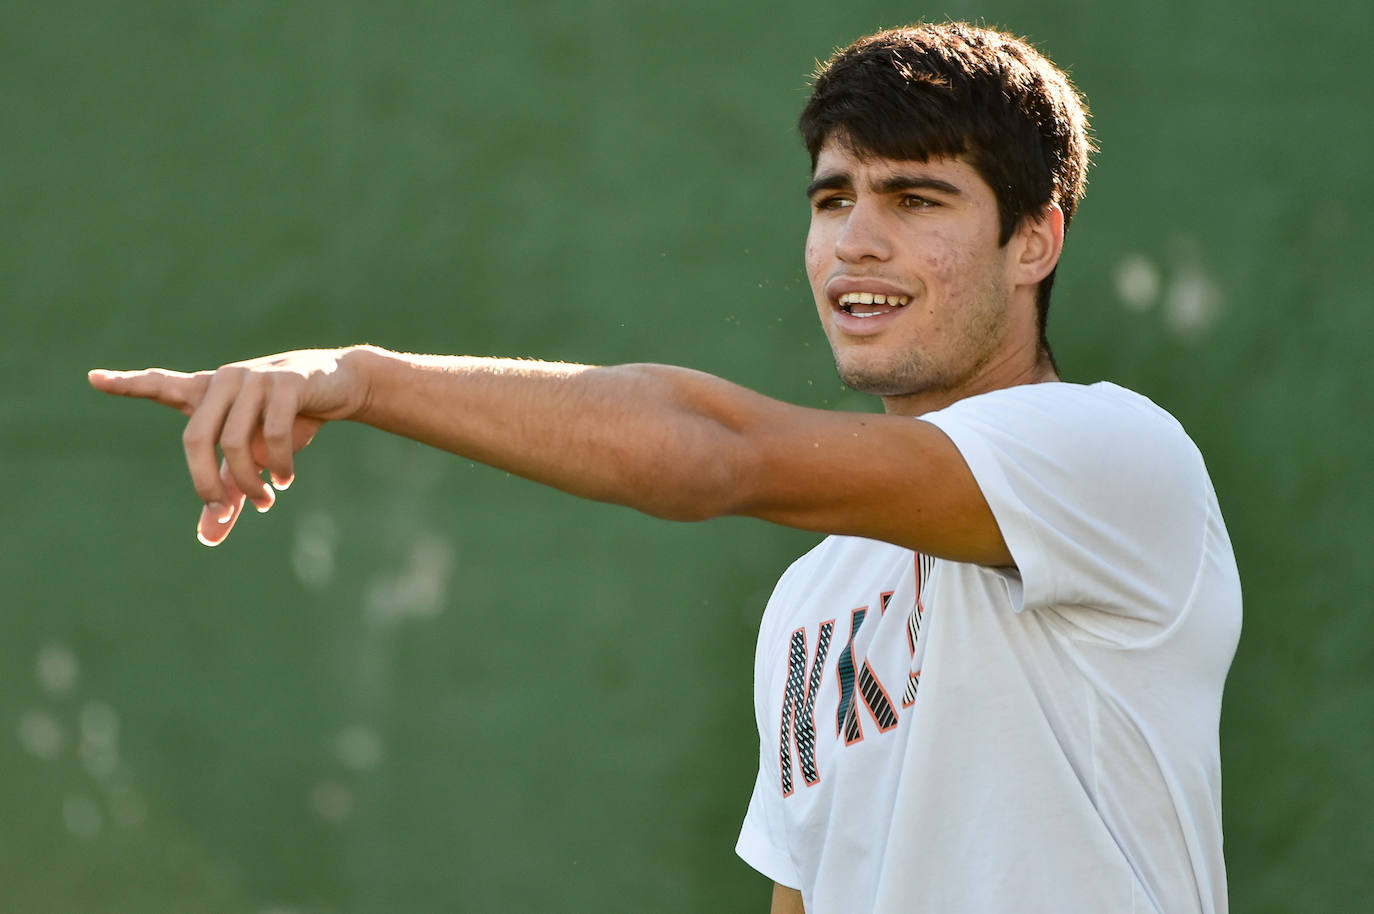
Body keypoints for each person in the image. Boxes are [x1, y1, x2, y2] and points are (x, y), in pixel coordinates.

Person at [88, 21, 1240, 914]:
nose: (857, 240)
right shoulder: (812, 601)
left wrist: (364, 379)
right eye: (833, 199)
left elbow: (713, 453)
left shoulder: (1113, 457)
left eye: (915, 198)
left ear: (1035, 237)